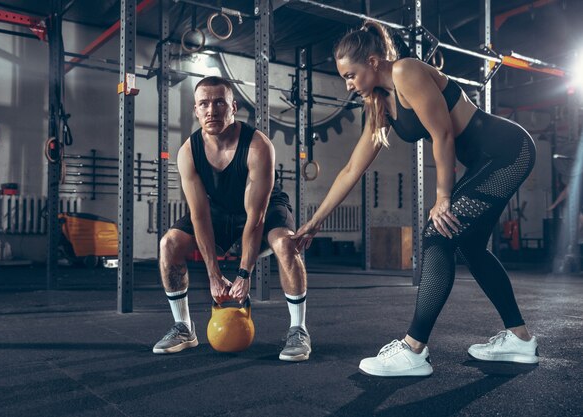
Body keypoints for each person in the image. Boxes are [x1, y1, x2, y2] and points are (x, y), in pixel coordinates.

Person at [292, 22, 538, 376]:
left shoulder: (407, 71)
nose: (347, 84)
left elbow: (442, 136)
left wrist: (442, 198)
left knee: (437, 234)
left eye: (350, 75)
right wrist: (315, 222)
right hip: (489, 162)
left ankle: (414, 349)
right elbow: (350, 169)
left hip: (507, 151)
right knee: (469, 246)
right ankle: (520, 339)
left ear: (373, 61)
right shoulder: (379, 103)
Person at [153, 76, 311, 362]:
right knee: (169, 244)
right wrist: (213, 275)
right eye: (204, 104)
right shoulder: (188, 152)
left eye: (219, 103)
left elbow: (256, 217)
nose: (211, 110)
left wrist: (243, 273)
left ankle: (298, 329)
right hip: (218, 210)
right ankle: (184, 328)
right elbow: (199, 215)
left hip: (263, 208)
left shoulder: (257, 146)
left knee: (287, 244)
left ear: (233, 107)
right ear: (196, 111)